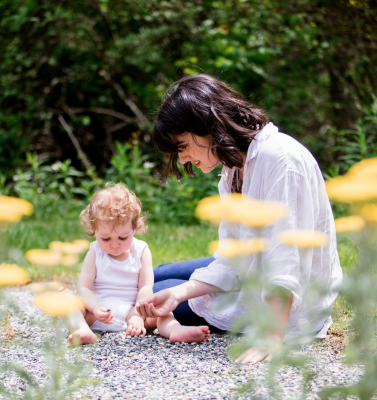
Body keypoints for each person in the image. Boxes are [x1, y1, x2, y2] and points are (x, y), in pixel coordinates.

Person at [136, 74, 343, 363]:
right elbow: (231, 257)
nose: (182, 160)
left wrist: (271, 338)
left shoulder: (280, 160)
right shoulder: (234, 167)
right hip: (250, 269)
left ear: (203, 125)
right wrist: (180, 293)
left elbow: (286, 261)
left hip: (286, 298)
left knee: (153, 290)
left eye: (182, 146)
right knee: (158, 276)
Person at [68, 183, 211, 345]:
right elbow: (84, 288)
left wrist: (137, 314)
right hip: (97, 313)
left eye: (123, 238)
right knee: (71, 305)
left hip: (132, 311)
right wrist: (94, 308)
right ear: (92, 229)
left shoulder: (141, 251)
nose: (115, 245)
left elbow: (145, 287)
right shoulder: (95, 251)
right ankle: (82, 329)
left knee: (162, 311)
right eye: (106, 238)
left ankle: (175, 330)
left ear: (135, 227)